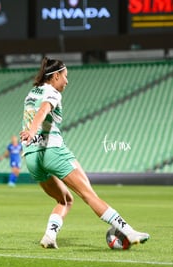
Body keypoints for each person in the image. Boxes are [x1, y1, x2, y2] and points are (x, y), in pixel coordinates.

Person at [19, 57, 150, 249]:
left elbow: (37, 111)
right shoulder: (53, 92)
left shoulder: (31, 93)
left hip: (31, 156)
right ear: (55, 76)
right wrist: (33, 129)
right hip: (52, 150)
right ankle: (129, 232)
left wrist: (31, 133)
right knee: (89, 195)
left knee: (65, 200)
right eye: (65, 76)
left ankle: (49, 236)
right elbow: (44, 110)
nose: (67, 81)